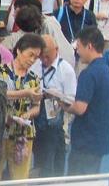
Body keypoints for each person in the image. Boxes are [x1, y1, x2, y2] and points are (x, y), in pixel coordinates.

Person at [64, 27, 109, 175]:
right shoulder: (107, 71)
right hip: (100, 136)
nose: (77, 51)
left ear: (89, 46)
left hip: (85, 139)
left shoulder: (88, 74)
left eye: (79, 47)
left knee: (77, 182)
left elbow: (80, 108)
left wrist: (64, 105)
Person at [0, 33, 43, 180]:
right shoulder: (1, 72)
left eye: (36, 57)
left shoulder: (34, 78)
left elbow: (37, 107)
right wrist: (26, 92)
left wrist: (29, 115)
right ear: (18, 51)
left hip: (23, 135)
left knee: (20, 177)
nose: (32, 60)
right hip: (1, 131)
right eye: (30, 55)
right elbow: (0, 94)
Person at [32, 35, 78, 178]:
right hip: (36, 118)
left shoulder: (66, 70)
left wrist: (57, 97)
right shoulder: (35, 65)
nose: (44, 60)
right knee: (38, 159)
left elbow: (71, 99)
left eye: (47, 57)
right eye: (42, 57)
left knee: (52, 161)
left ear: (56, 50)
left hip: (55, 122)